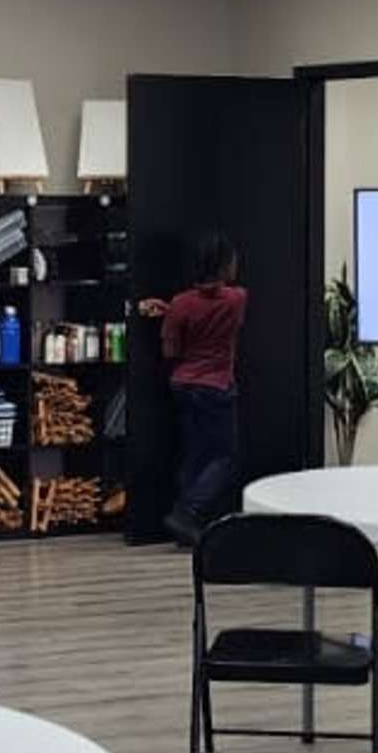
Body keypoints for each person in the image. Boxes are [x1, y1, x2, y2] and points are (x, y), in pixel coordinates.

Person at [137, 233, 246, 546]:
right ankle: (189, 511)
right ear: (225, 266)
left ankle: (186, 527)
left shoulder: (181, 304)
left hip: (184, 384)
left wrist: (169, 312)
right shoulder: (238, 298)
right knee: (225, 458)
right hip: (217, 386)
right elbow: (221, 315)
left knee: (196, 455)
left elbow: (171, 351)